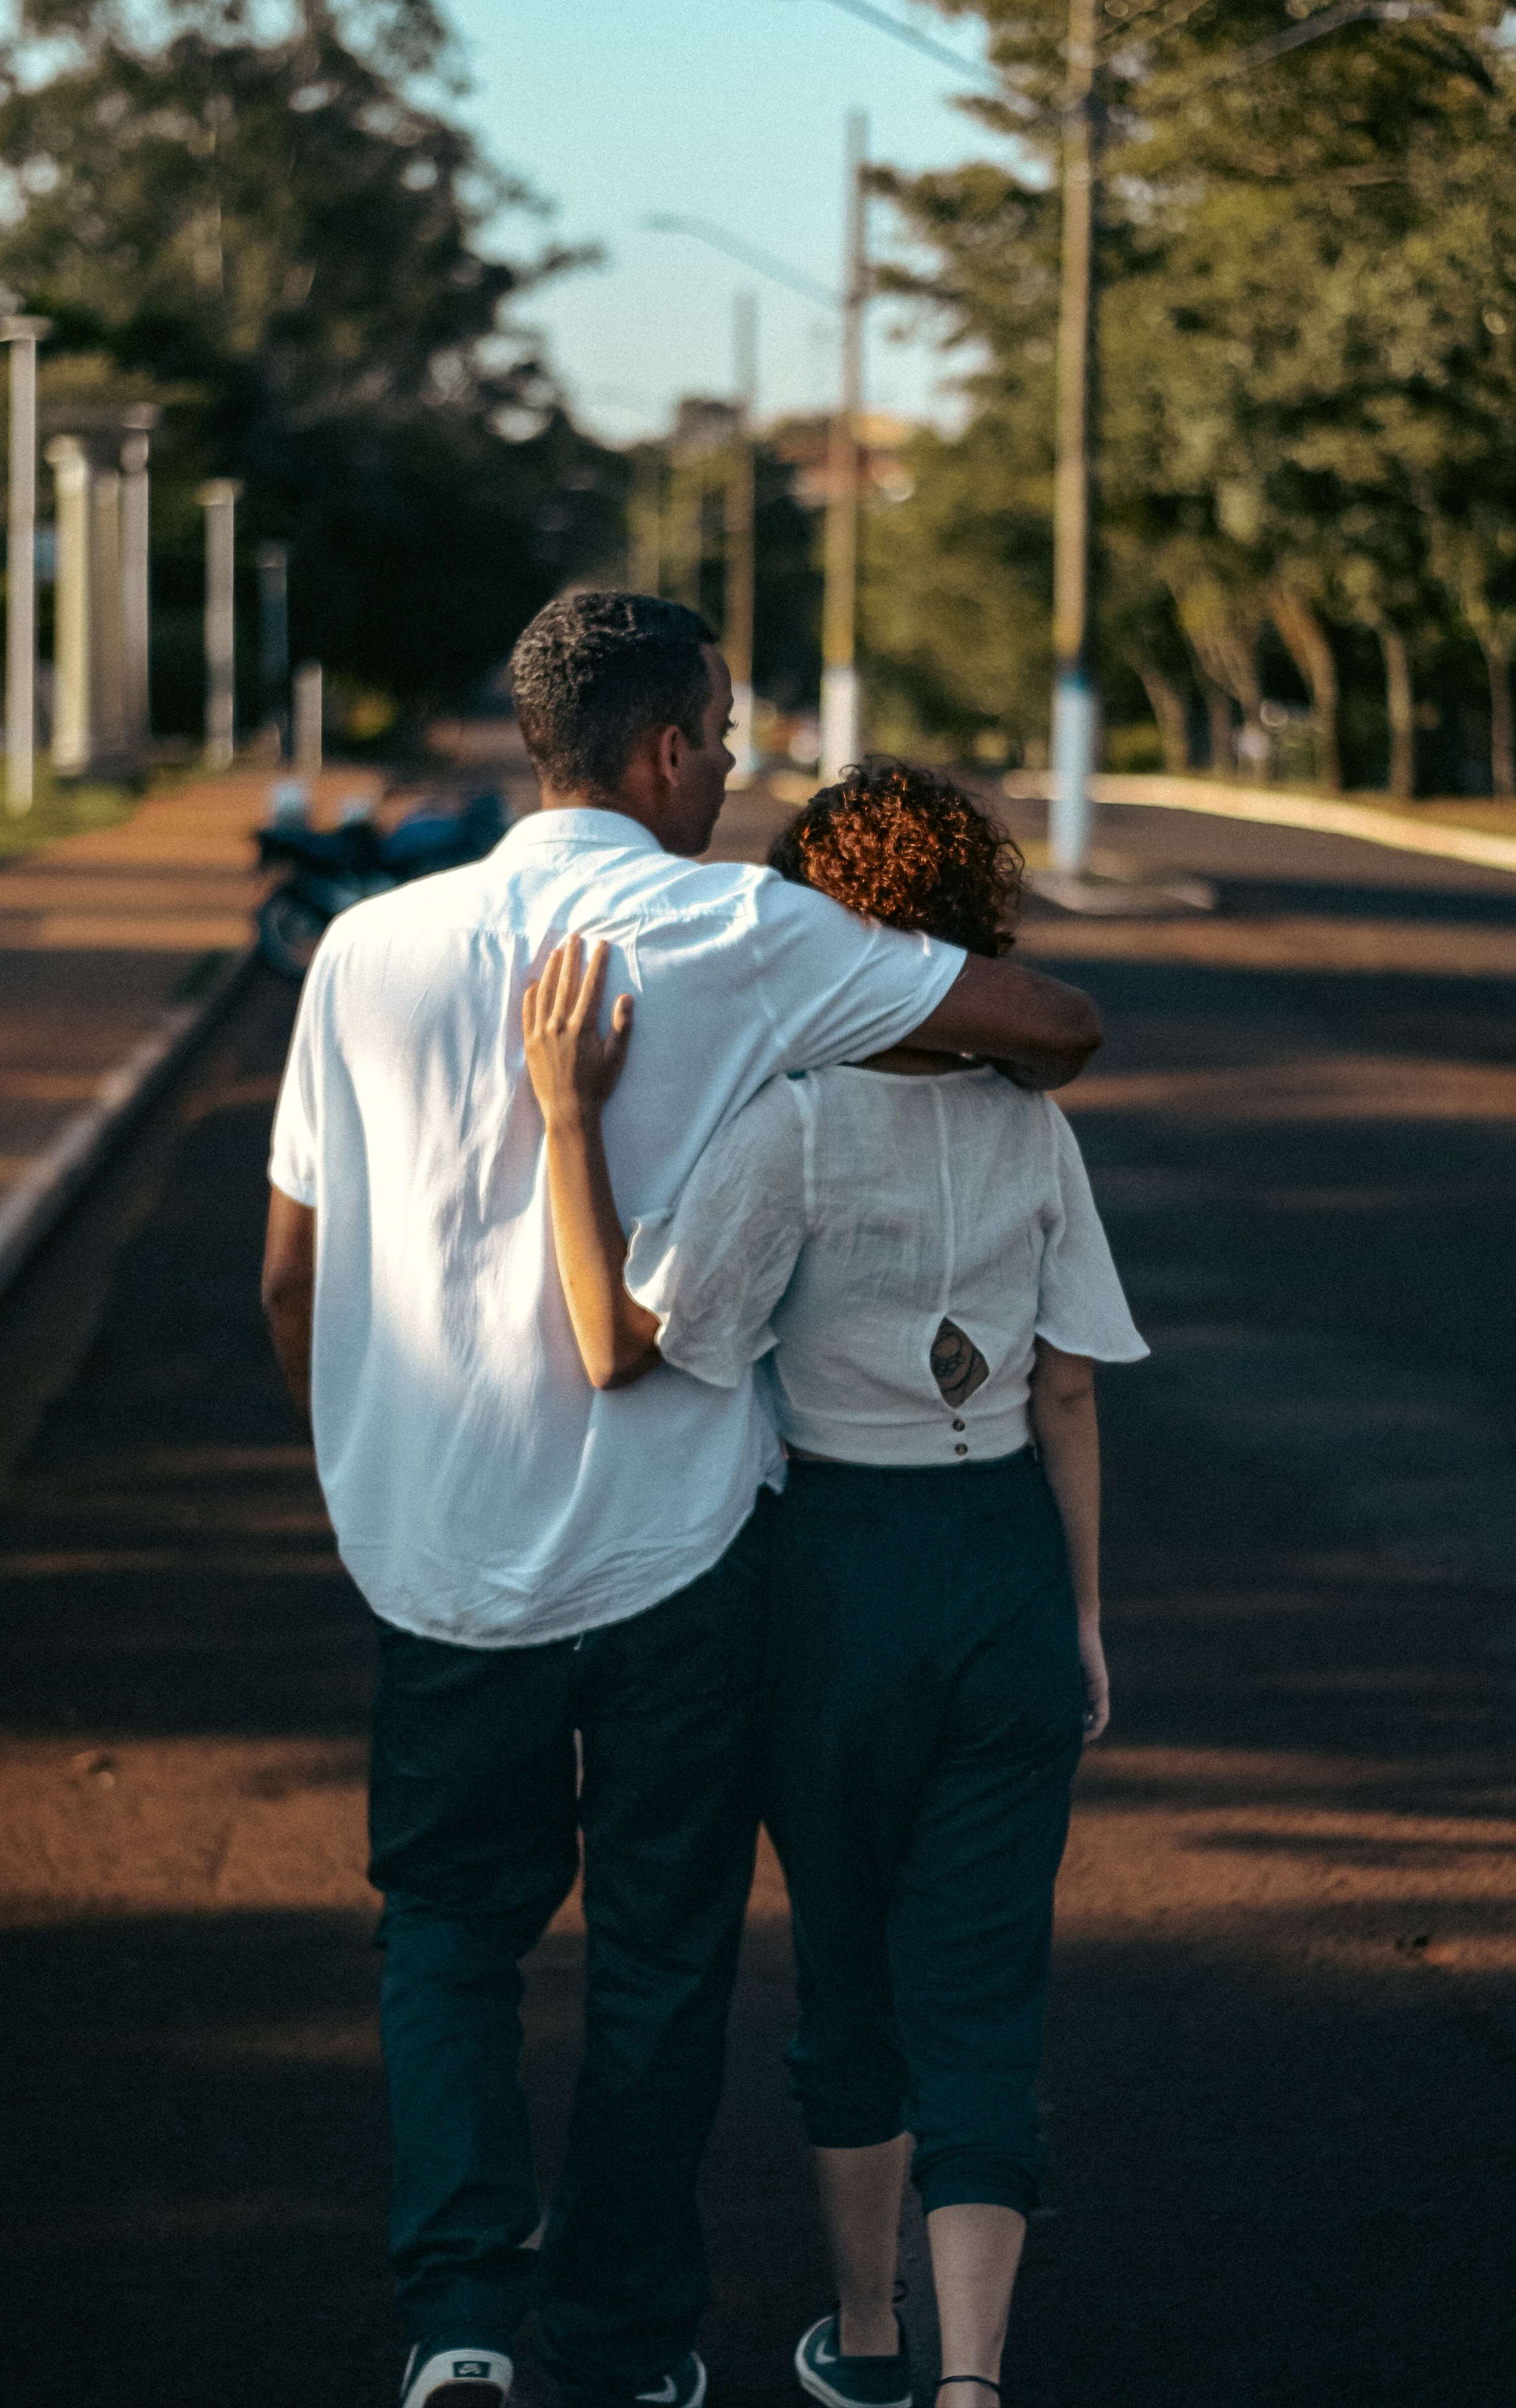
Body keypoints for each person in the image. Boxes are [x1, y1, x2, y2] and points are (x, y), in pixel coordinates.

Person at [259, 594, 1103, 2408]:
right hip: (677, 1569)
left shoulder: (368, 949)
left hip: (435, 1568)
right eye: (721, 735)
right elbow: (1054, 1021)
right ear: (659, 751)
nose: (731, 766)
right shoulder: (747, 929)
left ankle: (461, 2327)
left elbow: (287, 1279)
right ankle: (629, 2347)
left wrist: (375, 1470)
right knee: (660, 1956)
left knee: (451, 1938)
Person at [524, 761, 1147, 2408]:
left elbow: (626, 1347)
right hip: (1003, 1561)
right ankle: (975, 2381)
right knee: (986, 1978)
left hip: (830, 1583)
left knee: (851, 1965)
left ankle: (867, 2344)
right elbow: (1068, 1387)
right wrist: (1075, 1614)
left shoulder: (787, 1129)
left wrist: (569, 1121)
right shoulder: (1035, 1129)